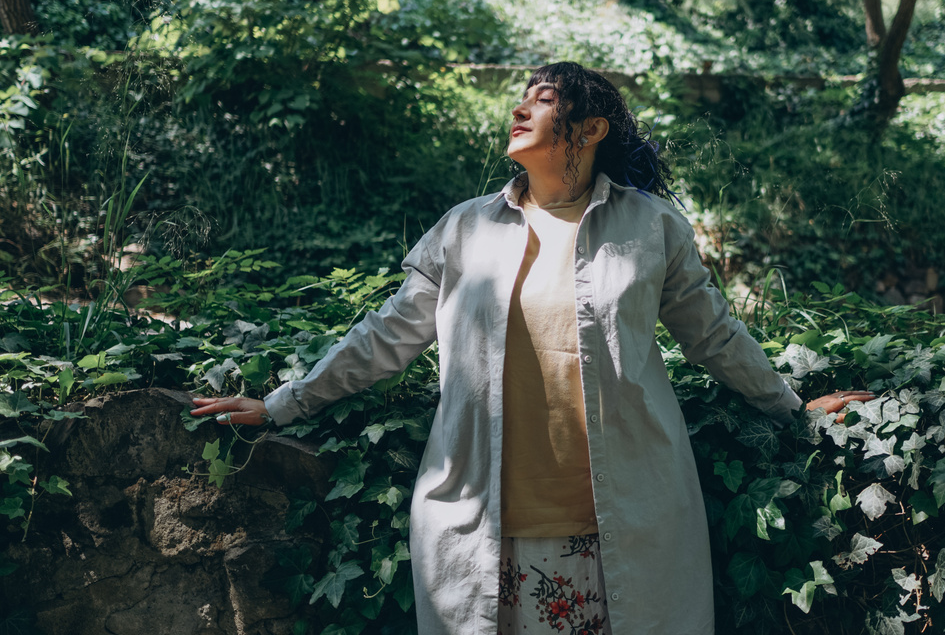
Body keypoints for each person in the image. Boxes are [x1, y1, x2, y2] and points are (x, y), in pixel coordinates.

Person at [191, 62, 873, 635]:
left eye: (543, 100)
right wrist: (281, 405)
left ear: (590, 128)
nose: (520, 107)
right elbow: (389, 333)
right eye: (523, 97)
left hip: (626, 528)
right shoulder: (465, 229)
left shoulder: (653, 227)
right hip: (484, 530)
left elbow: (714, 336)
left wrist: (794, 408)